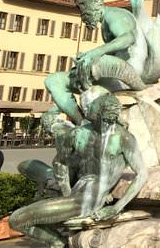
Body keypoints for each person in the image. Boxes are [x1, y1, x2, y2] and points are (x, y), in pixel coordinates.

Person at [10, 93, 147, 247]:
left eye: (111, 119)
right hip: (75, 195)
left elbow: (142, 174)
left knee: (17, 219)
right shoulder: (77, 133)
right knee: (20, 218)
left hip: (90, 200)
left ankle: (58, 243)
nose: (87, 111)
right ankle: (59, 242)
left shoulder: (124, 138)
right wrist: (66, 192)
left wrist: (116, 208)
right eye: (103, 118)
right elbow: (60, 163)